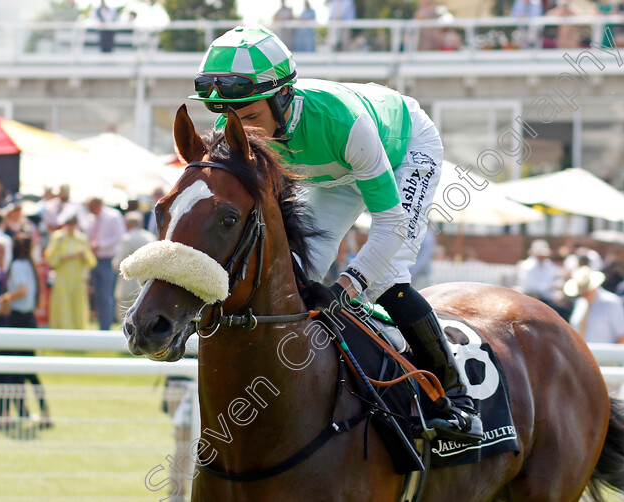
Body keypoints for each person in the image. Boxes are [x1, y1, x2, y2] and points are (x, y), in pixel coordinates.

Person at [190, 26, 481, 442]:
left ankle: (454, 397)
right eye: (230, 116)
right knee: (296, 267)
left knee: (383, 276)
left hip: (402, 149)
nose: (243, 132)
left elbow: (391, 225)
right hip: (332, 176)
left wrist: (348, 286)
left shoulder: (344, 123)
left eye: (251, 116)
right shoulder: (236, 124)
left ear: (283, 98)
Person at [0, 234, 53, 429]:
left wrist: (5, 298)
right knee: (29, 370)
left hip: (17, 321)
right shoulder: (30, 265)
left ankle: (5, 415)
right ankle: (43, 413)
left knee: (8, 369)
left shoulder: (18, 265)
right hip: (28, 320)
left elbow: (22, 290)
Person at [45, 210, 96, 330]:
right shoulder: (58, 238)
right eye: (69, 223)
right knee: (63, 304)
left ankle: (79, 331)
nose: (71, 226)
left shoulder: (81, 238)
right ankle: (62, 331)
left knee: (78, 305)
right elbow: (50, 258)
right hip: (62, 278)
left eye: (73, 223)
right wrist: (65, 257)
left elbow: (91, 261)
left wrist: (83, 256)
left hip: (78, 278)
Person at [85, 197, 125, 330]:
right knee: (98, 294)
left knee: (106, 294)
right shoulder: (91, 218)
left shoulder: (113, 216)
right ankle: (102, 325)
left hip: (108, 259)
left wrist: (100, 245)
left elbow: (119, 236)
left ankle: (106, 326)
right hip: (95, 259)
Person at [564, 265, 624, 344]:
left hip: (605, 355)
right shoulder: (580, 303)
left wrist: (615, 356)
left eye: (586, 292)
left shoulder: (611, 303)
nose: (583, 294)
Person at [112, 211, 154, 320]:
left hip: (128, 283)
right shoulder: (150, 237)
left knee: (124, 316)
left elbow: (118, 264)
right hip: (145, 283)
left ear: (128, 224)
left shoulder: (127, 238)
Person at [516, 239, 560, 304]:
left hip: (546, 298)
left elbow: (555, 278)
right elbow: (529, 287)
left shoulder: (548, 265)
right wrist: (549, 287)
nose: (542, 257)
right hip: (530, 297)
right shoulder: (528, 266)